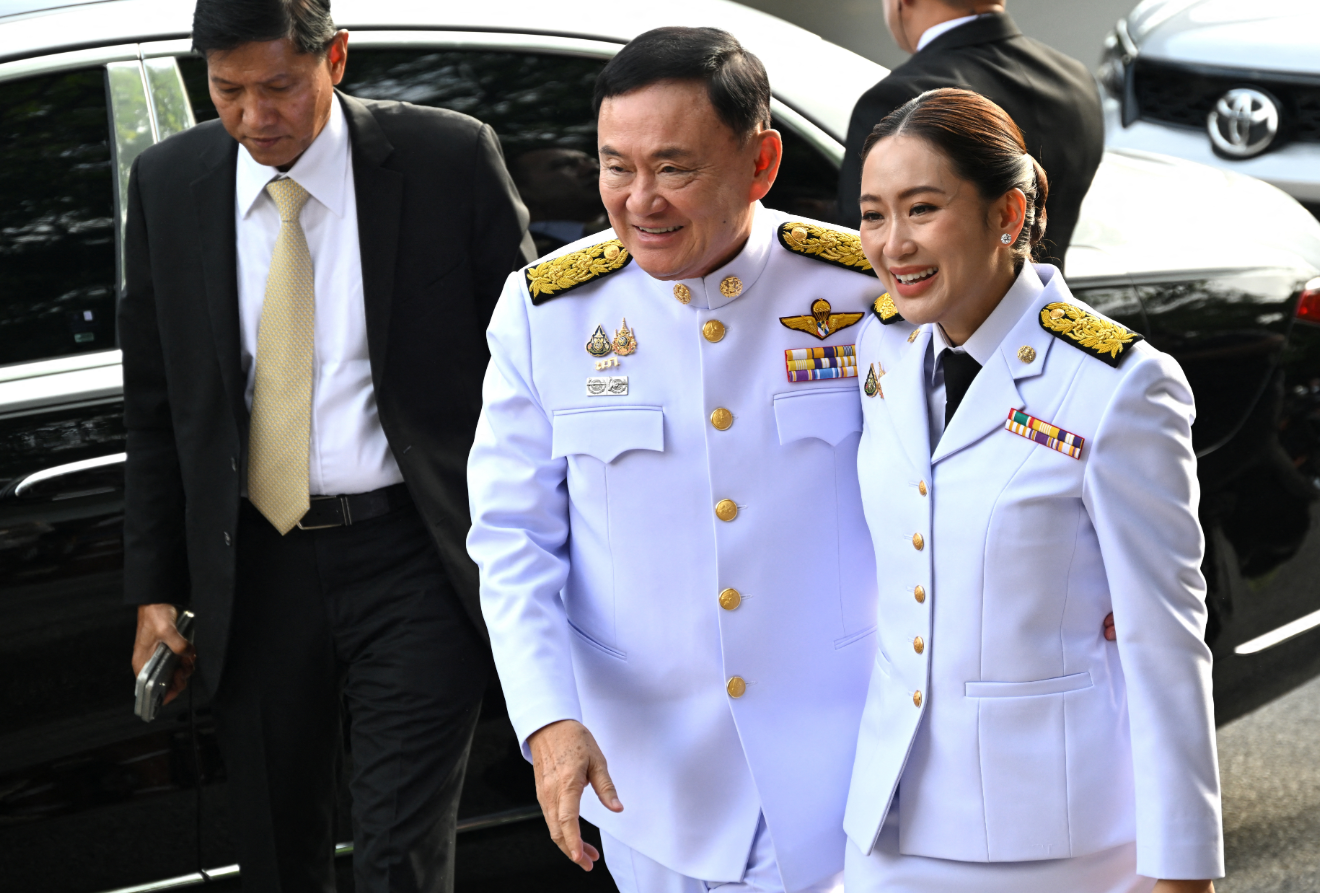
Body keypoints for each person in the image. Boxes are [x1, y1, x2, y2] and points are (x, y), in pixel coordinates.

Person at [119, 0, 532, 889]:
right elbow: (156, 406)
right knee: (277, 847)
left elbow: (527, 375)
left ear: (334, 58)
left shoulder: (446, 159)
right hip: (254, 567)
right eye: (227, 91)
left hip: (413, 555)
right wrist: (157, 587)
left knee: (399, 850)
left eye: (279, 87)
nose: (254, 118)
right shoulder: (168, 183)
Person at [467, 26, 884, 893]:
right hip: (652, 782)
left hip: (844, 761)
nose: (639, 199)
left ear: (761, 163)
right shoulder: (549, 311)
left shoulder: (860, 291)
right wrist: (549, 720)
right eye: (615, 167)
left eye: (674, 167)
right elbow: (512, 539)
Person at [843, 87, 1223, 892]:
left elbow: (1164, 636)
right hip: (887, 820)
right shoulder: (887, 356)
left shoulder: (1118, 384)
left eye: (921, 209)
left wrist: (1183, 864)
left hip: (1049, 837)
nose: (890, 244)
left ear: (1007, 214)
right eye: (873, 214)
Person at [837, 0, 1103, 267]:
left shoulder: (900, 98)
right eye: (872, 214)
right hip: (1048, 302)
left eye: (920, 209)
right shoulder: (1076, 80)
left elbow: (857, 252)